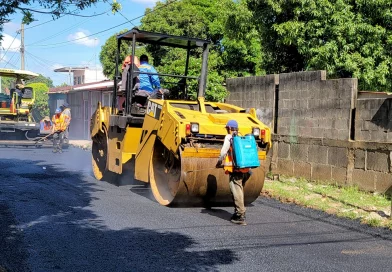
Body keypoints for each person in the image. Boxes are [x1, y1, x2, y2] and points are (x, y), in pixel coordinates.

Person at [216, 120, 251, 226]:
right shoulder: (241, 136)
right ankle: (238, 212)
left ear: (230, 128)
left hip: (236, 170)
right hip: (246, 170)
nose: (227, 129)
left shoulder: (229, 137)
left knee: (236, 191)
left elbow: (223, 152)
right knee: (239, 190)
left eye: (227, 128)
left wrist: (219, 162)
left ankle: (240, 215)